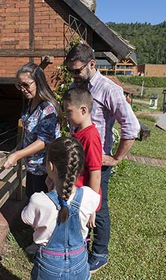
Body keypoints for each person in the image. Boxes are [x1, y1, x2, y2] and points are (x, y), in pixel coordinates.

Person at [65, 43, 141, 273]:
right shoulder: (76, 86)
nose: (74, 76)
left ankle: (99, 253)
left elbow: (132, 127)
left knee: (98, 207)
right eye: (71, 71)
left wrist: (116, 158)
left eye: (77, 71)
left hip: (97, 162)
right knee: (78, 203)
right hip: (77, 162)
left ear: (91, 64)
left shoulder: (109, 90)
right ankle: (80, 245)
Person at [21, 137, 100, 280]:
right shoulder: (89, 196)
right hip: (80, 263)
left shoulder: (38, 200)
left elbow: (28, 219)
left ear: (50, 166)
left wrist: (49, 190)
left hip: (49, 267)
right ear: (80, 167)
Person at [3, 62, 61, 254]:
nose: (23, 89)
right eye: (20, 85)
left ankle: (43, 246)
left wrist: (17, 155)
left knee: (45, 208)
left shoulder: (48, 108)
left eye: (26, 84)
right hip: (33, 165)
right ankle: (37, 237)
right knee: (34, 201)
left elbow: (44, 140)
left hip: (46, 167)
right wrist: (17, 150)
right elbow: (29, 134)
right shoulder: (30, 104)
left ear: (38, 81)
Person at [62, 87, 102, 230]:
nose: (66, 115)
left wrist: (91, 208)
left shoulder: (90, 137)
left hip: (83, 198)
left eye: (69, 111)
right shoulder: (77, 131)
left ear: (83, 110)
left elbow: (95, 174)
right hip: (74, 193)